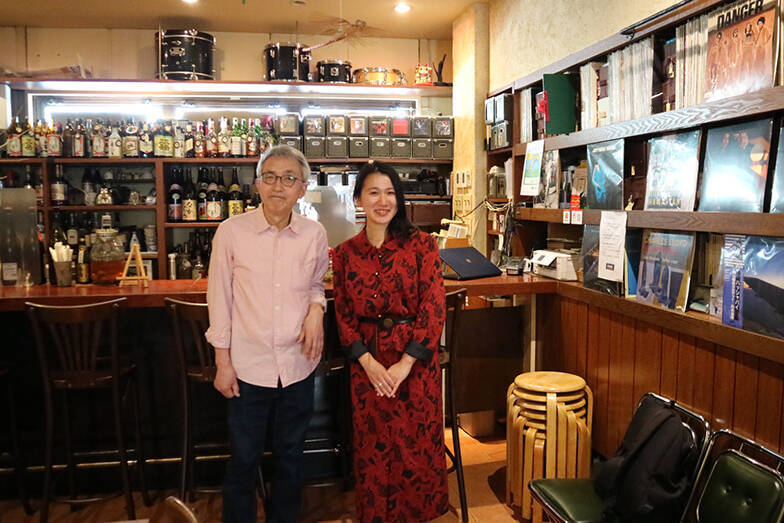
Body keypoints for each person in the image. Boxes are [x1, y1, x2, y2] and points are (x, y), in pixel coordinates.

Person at [206, 145, 329, 523]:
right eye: (270, 177)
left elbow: (316, 284)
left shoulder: (314, 233)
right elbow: (219, 298)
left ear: (303, 188)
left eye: (289, 178)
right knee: (244, 458)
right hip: (248, 365)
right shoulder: (231, 232)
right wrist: (222, 362)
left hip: (297, 363)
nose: (279, 186)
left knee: (291, 457)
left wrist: (317, 309)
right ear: (257, 184)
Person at [333, 161, 449, 522]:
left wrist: (406, 363)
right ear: (358, 199)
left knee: (415, 445)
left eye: (390, 193)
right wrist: (367, 362)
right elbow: (344, 314)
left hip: (414, 364)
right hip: (367, 364)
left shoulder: (423, 245)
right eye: (373, 193)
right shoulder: (345, 253)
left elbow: (433, 306)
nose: (383, 201)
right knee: (373, 445)